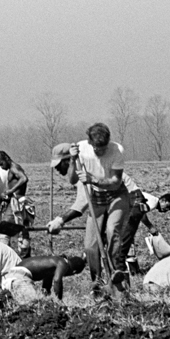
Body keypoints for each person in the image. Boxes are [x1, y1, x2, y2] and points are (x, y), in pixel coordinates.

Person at [48, 124, 130, 293]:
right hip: (97, 200)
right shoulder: (82, 150)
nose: (99, 152)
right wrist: (72, 159)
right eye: (96, 148)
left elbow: (115, 182)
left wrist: (94, 180)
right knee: (90, 245)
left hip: (116, 195)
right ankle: (97, 283)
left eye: (103, 148)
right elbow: (71, 180)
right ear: (89, 142)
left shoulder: (117, 151)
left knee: (111, 230)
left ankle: (116, 273)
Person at [119, 181, 170, 276]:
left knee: (129, 243)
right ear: (163, 201)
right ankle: (130, 270)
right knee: (127, 243)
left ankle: (133, 270)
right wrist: (150, 226)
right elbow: (140, 212)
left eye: (169, 210)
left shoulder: (150, 200)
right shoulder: (153, 202)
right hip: (125, 215)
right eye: (167, 207)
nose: (166, 210)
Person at [18, 253, 88, 300]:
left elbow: (47, 282)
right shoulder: (63, 263)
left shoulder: (55, 263)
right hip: (20, 275)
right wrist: (59, 300)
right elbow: (57, 281)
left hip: (17, 272)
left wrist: (46, 294)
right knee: (31, 301)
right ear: (74, 272)